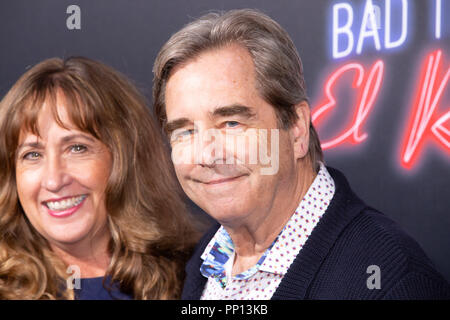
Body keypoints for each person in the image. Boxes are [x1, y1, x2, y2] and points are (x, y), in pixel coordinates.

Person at [152, 9, 450, 299]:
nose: (206, 154)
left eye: (231, 123)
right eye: (185, 132)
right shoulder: (203, 263)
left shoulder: (392, 282)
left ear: (296, 128)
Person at [0, 56, 198, 299]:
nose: (53, 180)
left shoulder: (199, 276)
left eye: (77, 148)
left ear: (124, 159)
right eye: (32, 154)